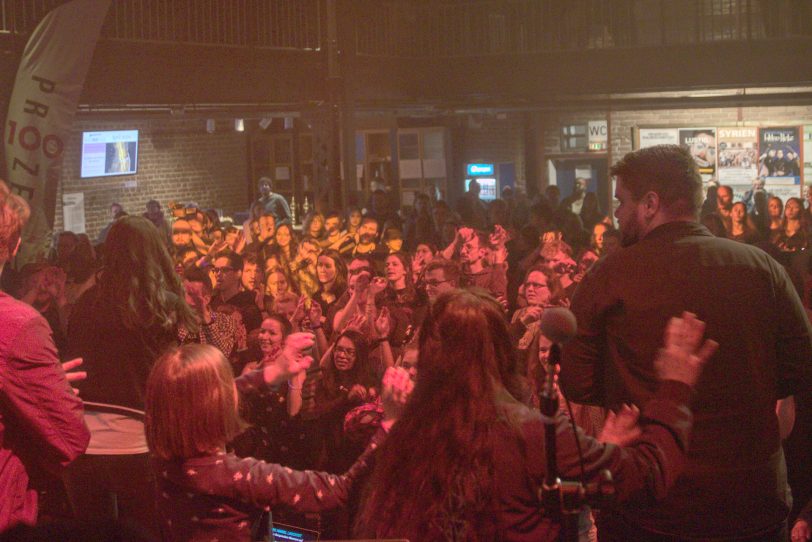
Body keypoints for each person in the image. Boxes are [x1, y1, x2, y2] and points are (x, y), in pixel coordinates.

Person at [561, 144, 812, 541]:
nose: (618, 214)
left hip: (654, 497)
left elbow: (577, 383)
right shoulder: (764, 269)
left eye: (622, 202)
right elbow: (798, 371)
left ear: (650, 203)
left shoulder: (609, 276)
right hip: (750, 499)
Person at [354, 289, 717, 541]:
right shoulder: (530, 435)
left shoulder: (406, 432)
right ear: (501, 351)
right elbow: (648, 471)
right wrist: (674, 387)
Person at [145, 340, 410, 542]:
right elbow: (340, 491)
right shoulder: (236, 476)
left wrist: (272, 373)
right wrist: (390, 423)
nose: (234, 389)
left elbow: (204, 395)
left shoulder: (162, 460)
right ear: (217, 404)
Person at [65, 216, 200, 536]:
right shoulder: (159, 304)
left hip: (85, 447)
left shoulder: (86, 302)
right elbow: (175, 374)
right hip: (139, 446)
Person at [0, 181, 89, 531]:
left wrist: (31, 388)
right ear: (15, 246)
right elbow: (70, 439)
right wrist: (46, 400)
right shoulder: (17, 325)